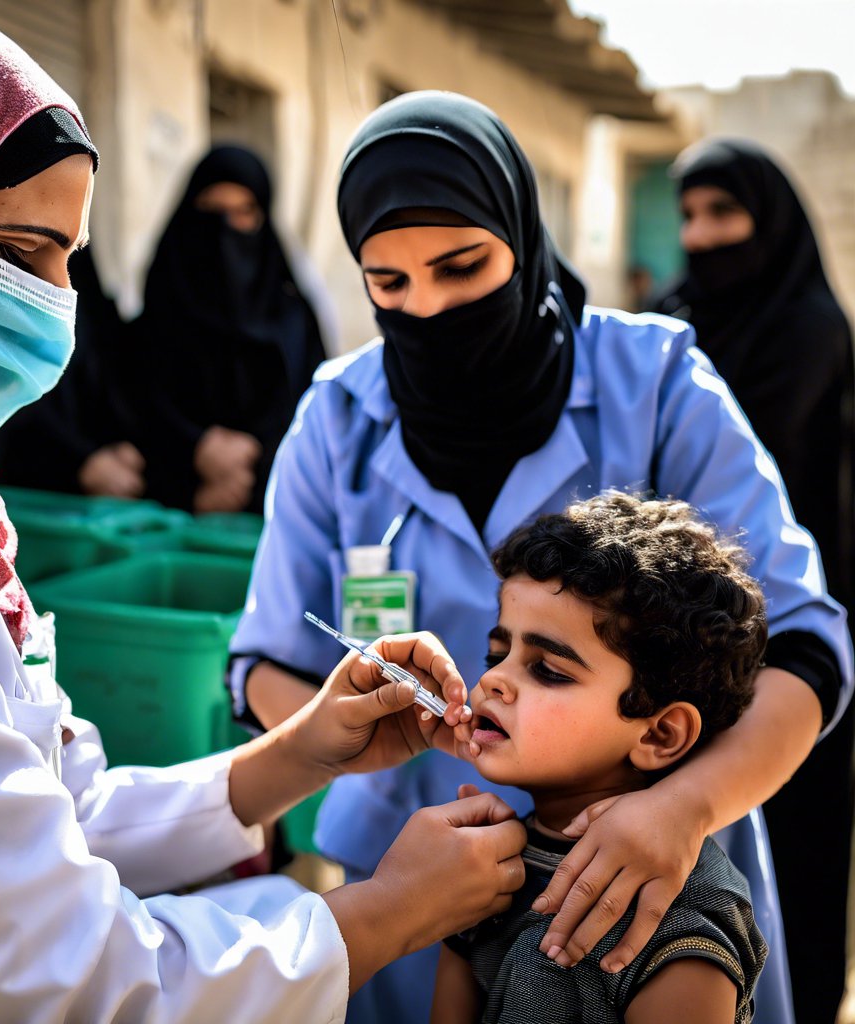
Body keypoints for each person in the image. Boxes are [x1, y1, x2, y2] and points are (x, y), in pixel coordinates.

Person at [0, 6, 529, 1021]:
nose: (56, 308)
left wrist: (293, 754)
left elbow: (51, 821)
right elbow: (67, 968)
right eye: (20, 255)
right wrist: (388, 911)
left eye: (70, 257)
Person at [228, 90, 853, 1024]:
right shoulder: (337, 416)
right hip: (417, 868)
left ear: (521, 233)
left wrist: (679, 811)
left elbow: (802, 648)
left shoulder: (656, 384)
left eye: (462, 265)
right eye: (388, 285)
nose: (429, 309)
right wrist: (363, 729)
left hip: (644, 870)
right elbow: (270, 661)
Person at [651, 138, 855, 1021]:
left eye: (723, 214)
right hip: (686, 629)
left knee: (795, 830)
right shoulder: (672, 327)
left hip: (790, 634)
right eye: (689, 216)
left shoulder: (808, 328)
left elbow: (726, 473)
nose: (701, 236)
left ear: (767, 224)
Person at [432, 492, 768, 1024]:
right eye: (497, 655)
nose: (493, 680)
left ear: (660, 734)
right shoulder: (480, 872)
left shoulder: (681, 921)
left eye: (548, 670)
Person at [121, 144, 329, 514]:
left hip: (283, 517)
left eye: (243, 212)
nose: (225, 232)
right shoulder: (156, 321)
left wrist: (251, 470)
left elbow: (317, 422)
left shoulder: (295, 323)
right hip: (169, 528)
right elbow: (131, 416)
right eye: (212, 212)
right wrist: (195, 452)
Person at [0, 246, 148, 499]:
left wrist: (114, 444)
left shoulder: (87, 263)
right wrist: (79, 459)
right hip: (13, 483)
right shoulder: (6, 264)